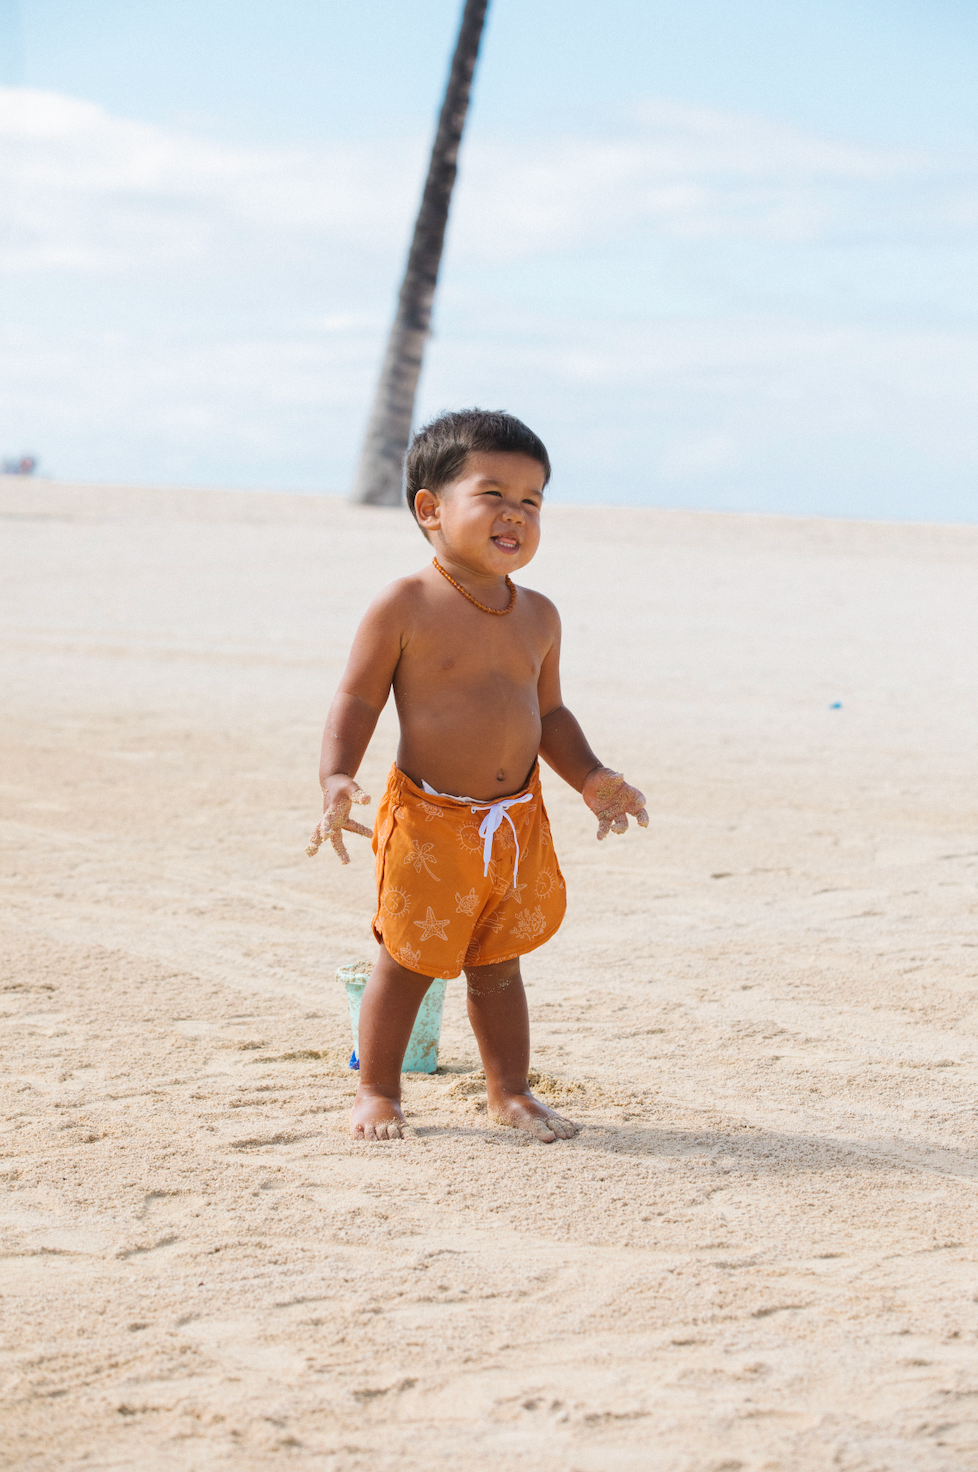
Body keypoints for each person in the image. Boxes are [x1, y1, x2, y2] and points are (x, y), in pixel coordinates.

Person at [308, 409, 648, 1143]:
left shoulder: (539, 616)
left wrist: (592, 776)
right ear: (430, 510)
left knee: (499, 962)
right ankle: (377, 1090)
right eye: (493, 494)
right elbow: (358, 695)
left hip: (513, 819)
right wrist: (338, 774)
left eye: (532, 501)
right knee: (406, 959)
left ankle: (511, 1091)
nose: (515, 515)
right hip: (430, 818)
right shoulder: (406, 603)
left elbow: (548, 714)